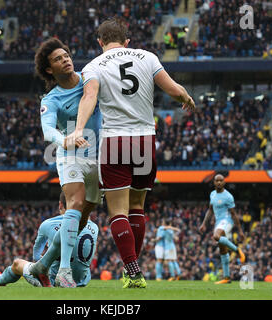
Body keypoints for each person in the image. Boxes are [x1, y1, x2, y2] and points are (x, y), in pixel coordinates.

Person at [67, 17, 195, 288]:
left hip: (115, 141)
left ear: (100, 42)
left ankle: (132, 270)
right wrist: (185, 97)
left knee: (117, 211)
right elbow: (172, 88)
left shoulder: (92, 66)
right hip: (145, 141)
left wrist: (78, 129)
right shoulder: (147, 57)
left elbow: (89, 97)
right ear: (127, 41)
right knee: (137, 206)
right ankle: (133, 270)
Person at [28, 38, 102, 288]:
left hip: (99, 156)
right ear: (49, 69)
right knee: (76, 203)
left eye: (67, 55)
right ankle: (64, 271)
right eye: (58, 58)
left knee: (84, 216)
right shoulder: (52, 99)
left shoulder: (90, 78)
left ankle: (41, 265)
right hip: (70, 154)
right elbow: (48, 132)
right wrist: (65, 139)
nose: (66, 59)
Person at [0, 192, 98, 287]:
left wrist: (42, 261)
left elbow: (36, 254)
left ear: (60, 205)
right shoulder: (94, 227)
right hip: (81, 281)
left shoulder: (48, 224)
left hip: (54, 279)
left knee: (17, 263)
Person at [199, 174, 246, 284]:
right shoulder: (212, 194)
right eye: (217, 181)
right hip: (218, 222)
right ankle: (226, 277)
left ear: (224, 182)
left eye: (221, 181)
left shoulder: (228, 196)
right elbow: (210, 210)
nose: (219, 182)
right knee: (223, 250)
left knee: (216, 236)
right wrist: (204, 223)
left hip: (227, 221)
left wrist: (240, 230)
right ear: (214, 182)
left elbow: (234, 214)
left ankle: (237, 250)